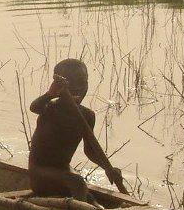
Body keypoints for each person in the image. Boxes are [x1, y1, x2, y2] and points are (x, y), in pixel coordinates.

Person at [28, 58, 122, 201]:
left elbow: (90, 150)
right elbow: (34, 107)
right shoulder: (51, 108)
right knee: (77, 182)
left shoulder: (87, 115)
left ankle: (85, 208)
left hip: (63, 172)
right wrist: (50, 94)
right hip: (40, 173)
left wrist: (108, 168)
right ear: (61, 88)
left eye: (83, 83)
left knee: (88, 195)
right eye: (73, 84)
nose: (79, 89)